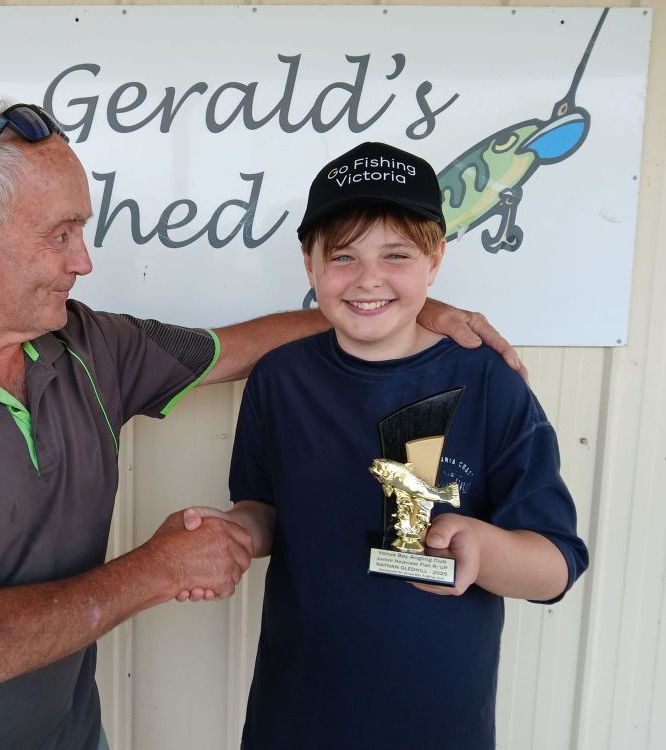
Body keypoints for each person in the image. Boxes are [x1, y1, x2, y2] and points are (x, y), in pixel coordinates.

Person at [0, 104, 524, 750]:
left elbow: (236, 348)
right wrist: (162, 568)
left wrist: (398, 306)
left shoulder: (84, 344)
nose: (85, 260)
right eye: (61, 233)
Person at [185, 142, 589, 749]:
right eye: (343, 256)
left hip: (437, 724)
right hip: (295, 715)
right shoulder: (280, 378)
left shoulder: (490, 384)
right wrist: (236, 532)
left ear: (435, 260)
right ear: (310, 265)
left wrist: (482, 545)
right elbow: (264, 507)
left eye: (396, 254)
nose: (369, 277)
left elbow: (556, 566)